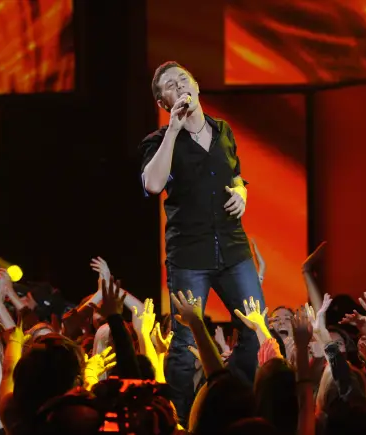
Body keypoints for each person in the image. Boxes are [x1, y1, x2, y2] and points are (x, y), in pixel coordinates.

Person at [139, 61, 266, 426]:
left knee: (256, 330)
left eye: (183, 79)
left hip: (233, 248)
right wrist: (172, 131)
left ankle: (235, 407)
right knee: (183, 345)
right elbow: (151, 184)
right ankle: (179, 420)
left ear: (196, 84)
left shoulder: (223, 131)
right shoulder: (158, 142)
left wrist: (242, 191)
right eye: (169, 85)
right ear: (164, 102)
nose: (179, 86)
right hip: (190, 254)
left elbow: (237, 174)